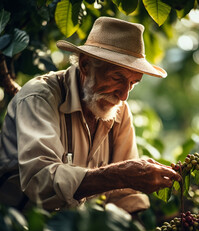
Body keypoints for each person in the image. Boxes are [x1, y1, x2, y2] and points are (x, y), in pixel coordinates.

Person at [0, 17, 181, 213]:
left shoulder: (119, 110)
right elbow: (40, 181)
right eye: (117, 77)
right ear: (85, 65)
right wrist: (119, 175)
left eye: (133, 83)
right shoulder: (40, 97)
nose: (124, 95)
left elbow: (126, 197)